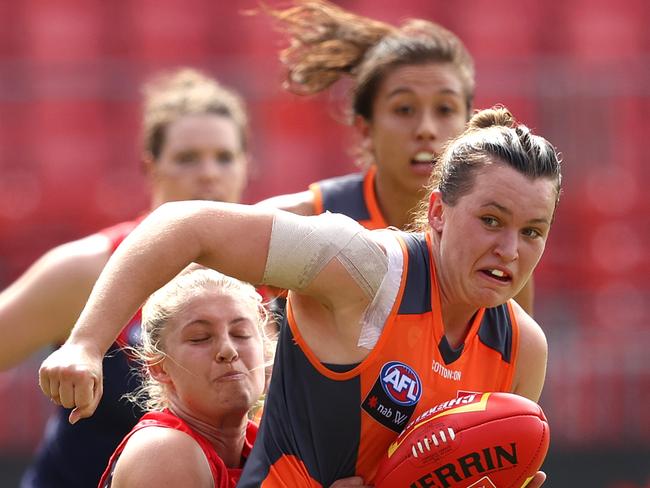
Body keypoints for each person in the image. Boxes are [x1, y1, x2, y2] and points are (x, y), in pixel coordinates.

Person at [38, 105, 559, 488]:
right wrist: (85, 344)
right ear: (440, 214)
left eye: (533, 231)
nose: (509, 250)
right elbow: (184, 222)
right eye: (490, 220)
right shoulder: (364, 267)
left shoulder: (523, 348)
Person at [0, 67, 251, 487]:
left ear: (246, 166)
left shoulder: (277, 280)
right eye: (187, 158)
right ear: (151, 167)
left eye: (224, 157)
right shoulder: (88, 270)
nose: (209, 173)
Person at [256, 0, 535, 314]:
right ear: (365, 129)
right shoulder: (307, 220)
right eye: (404, 109)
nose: (426, 129)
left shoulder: (494, 250)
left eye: (445, 109)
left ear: (469, 125)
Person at [97, 267, 269, 487]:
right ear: (159, 367)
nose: (228, 350)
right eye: (200, 338)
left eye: (241, 334)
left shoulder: (266, 446)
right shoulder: (163, 451)